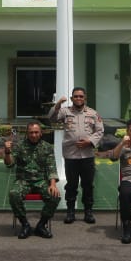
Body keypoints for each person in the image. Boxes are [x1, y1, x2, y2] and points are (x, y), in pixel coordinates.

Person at [48, 86, 103, 224]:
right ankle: (70, 211)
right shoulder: (65, 112)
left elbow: (100, 131)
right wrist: (58, 104)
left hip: (87, 155)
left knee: (88, 185)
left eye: (81, 96)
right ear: (72, 98)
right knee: (71, 185)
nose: (78, 98)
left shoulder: (93, 113)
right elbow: (51, 118)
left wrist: (89, 141)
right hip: (71, 156)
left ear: (85, 98)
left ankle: (88, 211)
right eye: (76, 96)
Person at [4, 121, 60, 239]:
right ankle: (25, 225)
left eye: (36, 132)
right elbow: (10, 164)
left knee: (55, 196)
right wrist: (7, 152)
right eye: (31, 133)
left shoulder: (47, 147)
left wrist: (53, 184)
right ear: (27, 133)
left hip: (41, 181)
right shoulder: (19, 146)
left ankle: (41, 225)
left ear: (41, 133)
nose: (33, 135)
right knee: (14, 194)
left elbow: (51, 167)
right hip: (23, 181)